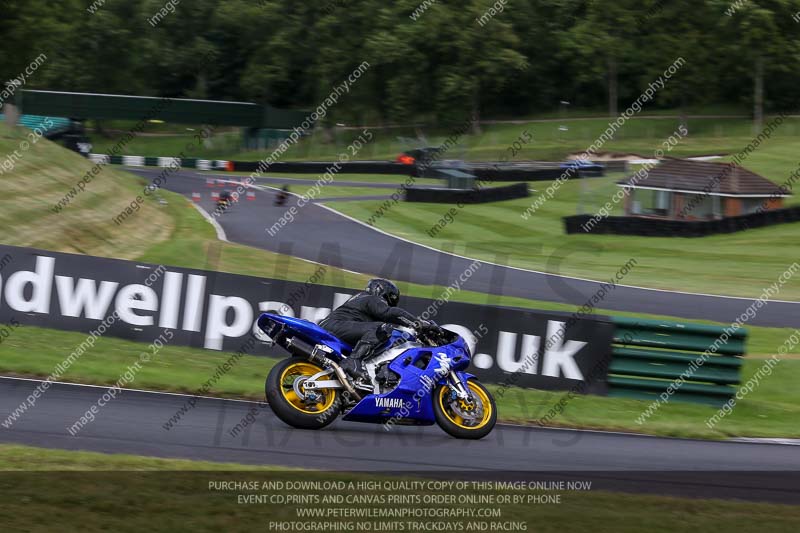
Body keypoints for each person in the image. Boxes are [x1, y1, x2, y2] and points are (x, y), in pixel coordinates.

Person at [319, 278, 440, 380]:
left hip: (335, 328)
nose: (387, 304)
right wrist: (418, 324)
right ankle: (353, 361)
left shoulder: (359, 300)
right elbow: (388, 313)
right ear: (381, 292)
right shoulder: (370, 298)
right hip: (335, 326)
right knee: (381, 329)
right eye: (388, 300)